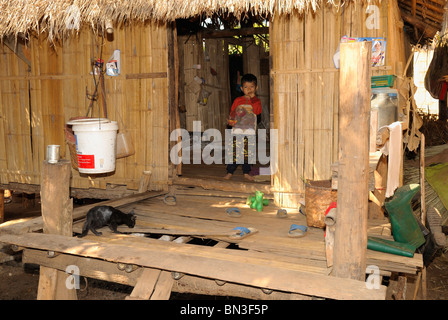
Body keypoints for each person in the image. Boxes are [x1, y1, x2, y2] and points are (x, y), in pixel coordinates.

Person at [224, 73, 262, 181]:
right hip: (237, 130)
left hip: (249, 132)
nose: (249, 89)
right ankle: (229, 172)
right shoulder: (238, 100)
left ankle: (246, 172)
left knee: (247, 153)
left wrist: (253, 99)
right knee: (234, 152)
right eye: (246, 87)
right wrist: (231, 121)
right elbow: (232, 112)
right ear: (241, 88)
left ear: (256, 88)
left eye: (251, 87)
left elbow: (258, 112)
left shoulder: (257, 101)